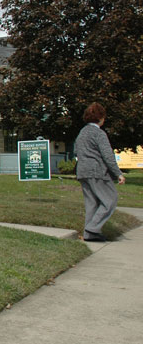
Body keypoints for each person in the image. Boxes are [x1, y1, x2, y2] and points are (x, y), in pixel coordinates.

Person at [74, 102, 126, 242]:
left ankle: (90, 234)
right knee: (110, 199)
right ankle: (93, 227)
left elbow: (75, 151)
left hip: (82, 171)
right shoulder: (99, 133)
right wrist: (118, 173)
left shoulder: (82, 133)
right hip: (97, 171)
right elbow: (108, 156)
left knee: (92, 203)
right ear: (101, 118)